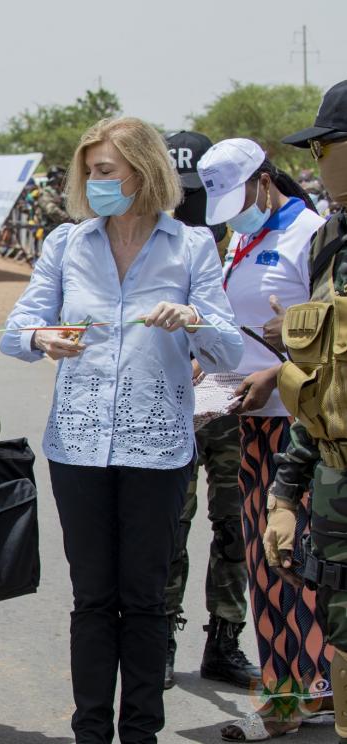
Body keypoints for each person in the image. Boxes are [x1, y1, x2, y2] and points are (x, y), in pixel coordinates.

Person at [1, 116, 244, 744]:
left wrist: (192, 318)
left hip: (158, 446)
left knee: (144, 600)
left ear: (143, 170)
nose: (94, 182)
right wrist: (40, 336)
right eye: (89, 172)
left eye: (105, 170)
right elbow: (16, 329)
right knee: (90, 599)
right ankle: (90, 732)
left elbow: (228, 354)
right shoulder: (66, 244)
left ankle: (141, 733)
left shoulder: (191, 248)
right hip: (78, 447)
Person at [193, 138, 331, 740]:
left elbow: (335, 337)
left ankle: (305, 691)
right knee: (264, 562)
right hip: (248, 420)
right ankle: (288, 689)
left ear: (264, 181)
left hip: (300, 425)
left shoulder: (313, 235)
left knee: (296, 560)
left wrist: (279, 367)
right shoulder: (241, 242)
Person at [262, 78, 347, 743]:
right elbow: (317, 386)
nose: (319, 164)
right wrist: (286, 493)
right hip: (335, 480)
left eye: (326, 148)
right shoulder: (331, 244)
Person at [160, 130, 257, 692]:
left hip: (235, 407)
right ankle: (163, 638)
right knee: (171, 526)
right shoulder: (160, 241)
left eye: (195, 190)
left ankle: (224, 639)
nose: (189, 202)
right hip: (176, 408)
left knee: (235, 528)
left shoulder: (237, 235)